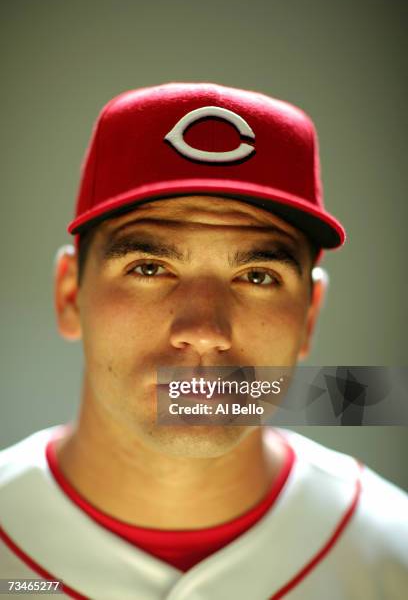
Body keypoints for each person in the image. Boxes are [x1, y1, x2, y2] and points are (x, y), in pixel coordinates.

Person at [0, 83, 406, 599]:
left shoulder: (393, 554)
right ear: (69, 295)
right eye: (149, 267)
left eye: (258, 277)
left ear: (309, 317)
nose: (205, 331)